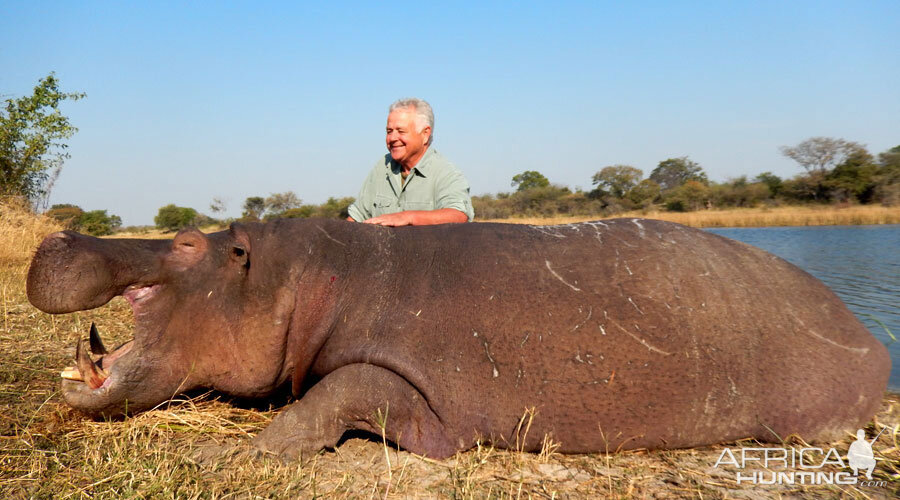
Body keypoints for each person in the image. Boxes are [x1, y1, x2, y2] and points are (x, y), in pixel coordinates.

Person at [347, 98, 474, 226]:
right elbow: (357, 217)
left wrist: (408, 217)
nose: (392, 138)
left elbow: (459, 215)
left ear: (425, 134)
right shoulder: (383, 166)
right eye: (389, 131)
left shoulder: (445, 173)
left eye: (401, 131)